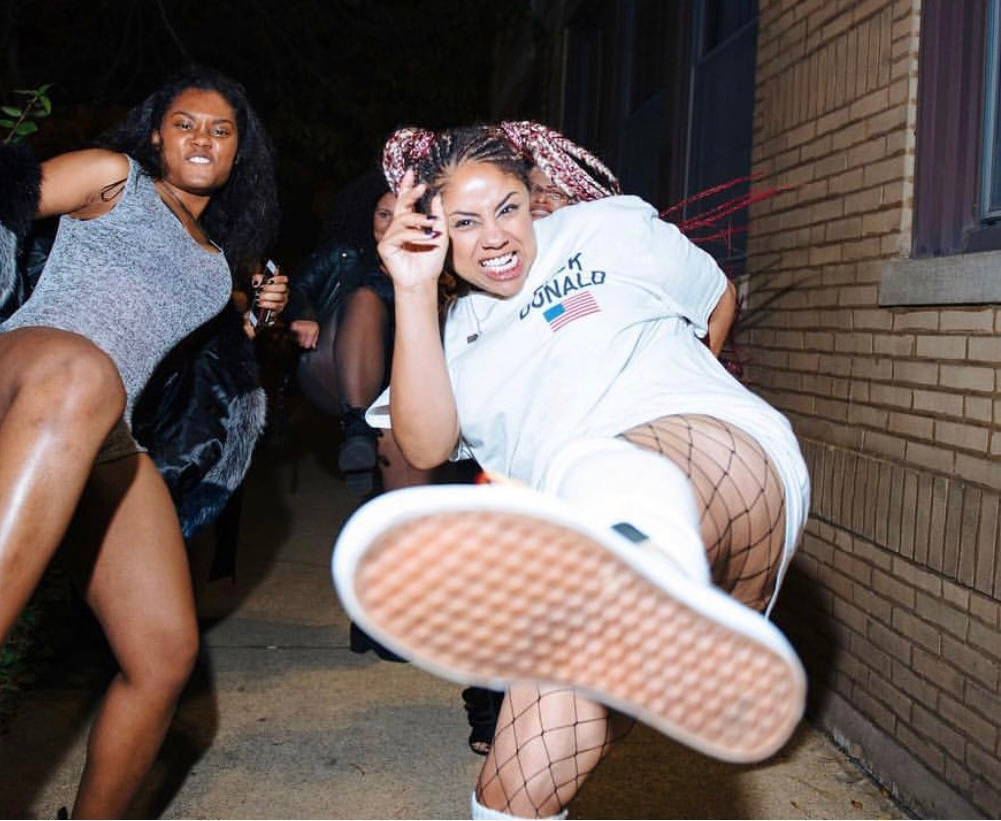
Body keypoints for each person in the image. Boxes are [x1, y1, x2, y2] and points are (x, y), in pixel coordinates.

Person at [331, 124, 810, 819]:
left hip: (724, 463)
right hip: (590, 557)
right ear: (435, 232)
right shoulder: (450, 336)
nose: (494, 237)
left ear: (531, 199)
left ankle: (648, 564)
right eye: (465, 222)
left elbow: (716, 298)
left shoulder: (607, 228)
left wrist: (675, 383)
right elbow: (424, 446)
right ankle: (640, 593)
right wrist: (411, 288)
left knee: (614, 462)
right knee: (513, 793)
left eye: (507, 208)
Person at [0, 66, 281, 819]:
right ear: (157, 135)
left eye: (221, 130)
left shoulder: (214, 264)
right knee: (82, 370)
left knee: (164, 656)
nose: (202, 138)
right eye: (185, 123)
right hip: (12, 377)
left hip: (102, 431)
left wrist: (260, 312)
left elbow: (217, 347)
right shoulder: (113, 177)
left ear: (238, 154)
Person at [458, 120, 622, 756]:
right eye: (535, 192)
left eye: (560, 190)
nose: (547, 202)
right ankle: (490, 704)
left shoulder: (605, 268)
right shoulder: (493, 282)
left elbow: (716, 299)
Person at [286, 171, 432, 497]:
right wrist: (304, 315)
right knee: (366, 299)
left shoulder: (431, 266)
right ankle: (357, 426)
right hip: (330, 367)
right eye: (384, 214)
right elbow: (296, 289)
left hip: (396, 389)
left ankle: (397, 517)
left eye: (403, 215)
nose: (392, 224)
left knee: (407, 466)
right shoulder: (343, 254)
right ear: (369, 216)